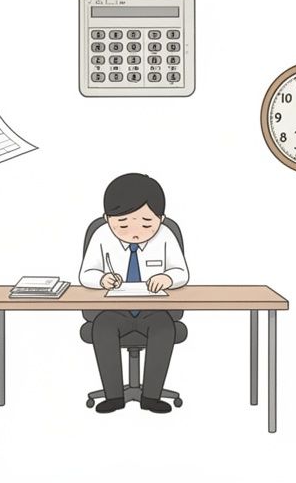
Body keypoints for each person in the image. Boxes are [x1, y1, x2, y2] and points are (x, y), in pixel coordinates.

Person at [79, 173, 189, 413]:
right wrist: (102, 279)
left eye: (146, 223)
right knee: (102, 328)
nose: (135, 232)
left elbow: (182, 272)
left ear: (160, 219)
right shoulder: (101, 236)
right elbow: (86, 274)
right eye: (123, 224)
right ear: (107, 219)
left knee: (164, 328)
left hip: (154, 310)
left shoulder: (166, 236)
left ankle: (151, 397)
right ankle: (113, 396)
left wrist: (167, 278)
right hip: (114, 311)